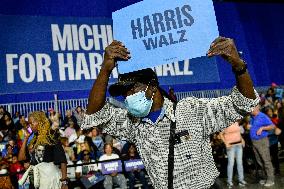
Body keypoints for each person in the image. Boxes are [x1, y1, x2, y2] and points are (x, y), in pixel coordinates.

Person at [81, 37, 259, 189]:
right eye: (124, 94)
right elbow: (94, 114)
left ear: (152, 87)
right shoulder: (132, 124)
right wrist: (105, 69)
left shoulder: (191, 110)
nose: (127, 97)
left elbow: (243, 103)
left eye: (132, 89)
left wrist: (238, 65)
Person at [18, 111, 68, 189]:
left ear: (40, 122)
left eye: (32, 123)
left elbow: (62, 159)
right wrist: (26, 138)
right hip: (36, 179)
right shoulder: (33, 140)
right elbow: (21, 158)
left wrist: (64, 182)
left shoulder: (50, 137)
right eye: (29, 124)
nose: (30, 126)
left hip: (50, 178)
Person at [250, 105, 275, 187]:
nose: (250, 110)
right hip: (254, 142)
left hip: (262, 141)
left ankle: (271, 179)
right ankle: (266, 177)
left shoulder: (262, 116)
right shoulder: (252, 116)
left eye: (252, 108)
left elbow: (272, 126)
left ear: (257, 108)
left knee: (266, 160)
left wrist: (262, 128)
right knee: (259, 161)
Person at [220, 122, 246, 188]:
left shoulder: (236, 122)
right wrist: (226, 143)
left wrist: (242, 139)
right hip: (230, 146)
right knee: (231, 163)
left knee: (240, 163)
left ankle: (241, 179)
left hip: (239, 145)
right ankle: (229, 181)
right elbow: (221, 134)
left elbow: (238, 132)